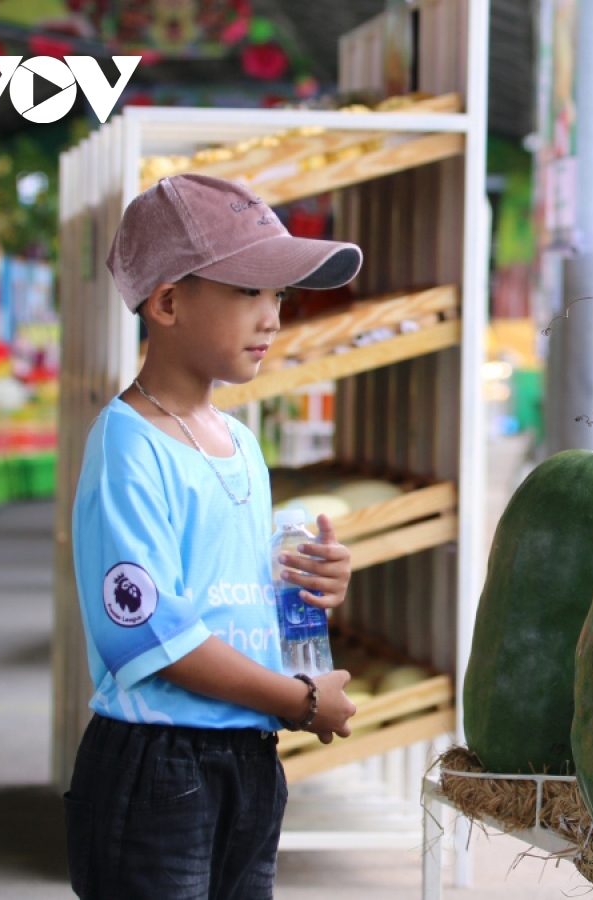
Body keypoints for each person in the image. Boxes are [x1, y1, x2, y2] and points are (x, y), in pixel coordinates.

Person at [65, 173, 365, 899]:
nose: (272, 318)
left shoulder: (237, 440)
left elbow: (233, 593)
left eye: (279, 297)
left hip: (249, 757)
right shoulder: (128, 447)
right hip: (158, 765)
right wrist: (296, 700)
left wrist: (314, 588)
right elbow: (149, 635)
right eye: (248, 291)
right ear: (167, 301)